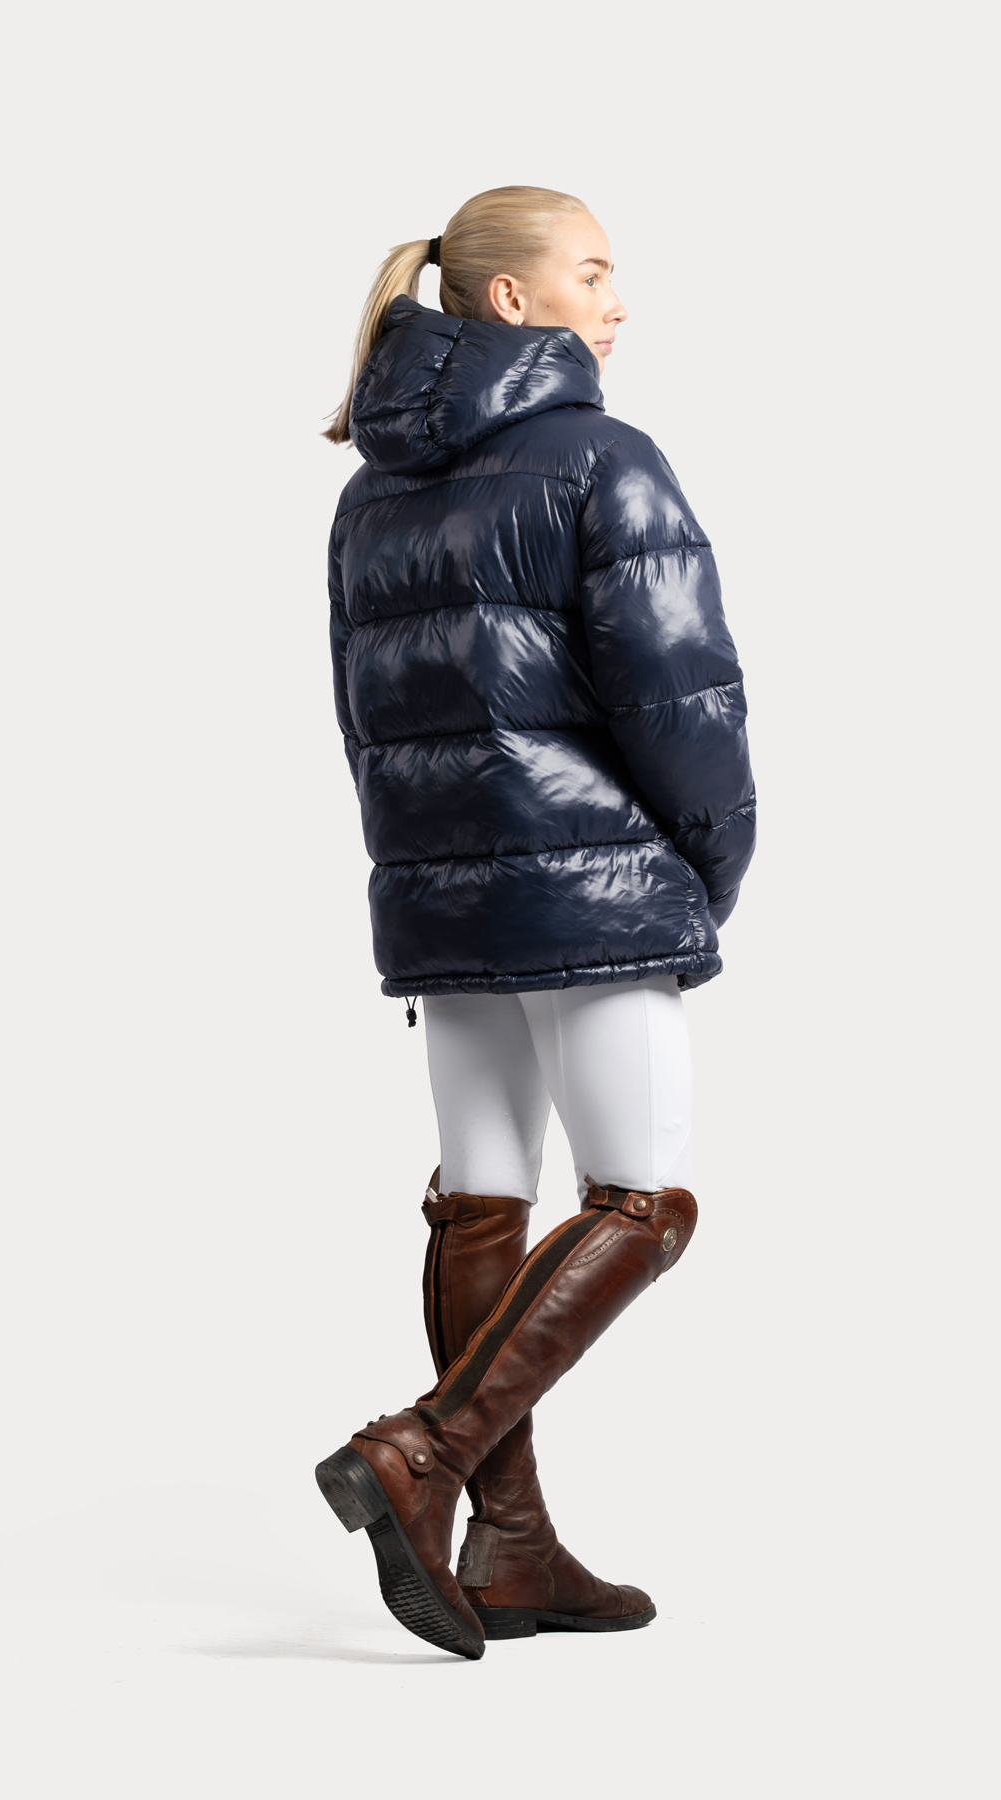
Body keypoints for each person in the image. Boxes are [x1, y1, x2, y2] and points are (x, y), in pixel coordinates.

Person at [315, 186, 755, 1658]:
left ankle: (510, 1543)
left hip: (441, 892)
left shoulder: (371, 491)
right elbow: (682, 697)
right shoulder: (600, 458)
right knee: (643, 1204)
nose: (618, 302)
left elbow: (362, 718)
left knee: (484, 1198)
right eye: (593, 272)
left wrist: (422, 871)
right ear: (512, 300)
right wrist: (708, 867)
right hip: (595, 886)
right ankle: (422, 1451)